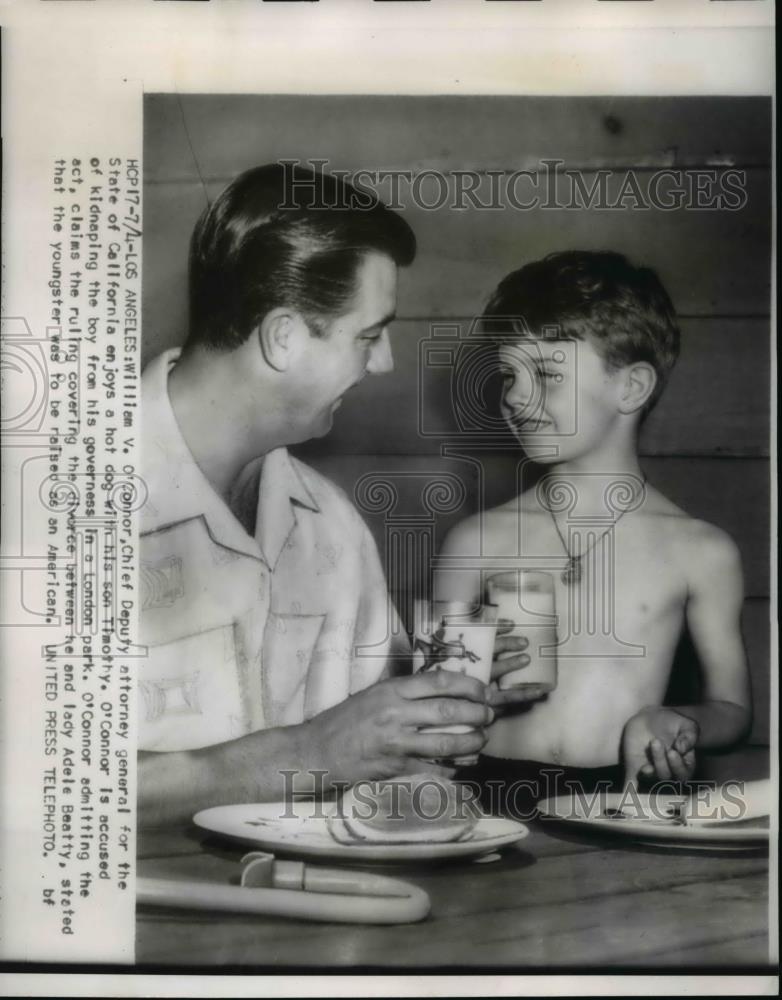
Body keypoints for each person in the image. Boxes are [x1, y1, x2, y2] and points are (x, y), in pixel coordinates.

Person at [138, 164, 533, 825]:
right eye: (370, 336)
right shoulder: (56, 500)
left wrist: (431, 708)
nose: (383, 364)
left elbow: (372, 754)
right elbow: (41, 789)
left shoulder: (334, 527)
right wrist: (308, 753)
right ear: (283, 337)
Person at [437, 250, 752, 816]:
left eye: (547, 375)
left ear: (630, 388)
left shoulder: (701, 550)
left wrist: (679, 721)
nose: (513, 396)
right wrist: (456, 694)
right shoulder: (475, 540)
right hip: (488, 803)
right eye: (510, 373)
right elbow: (436, 700)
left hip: (627, 802)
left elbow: (731, 706)